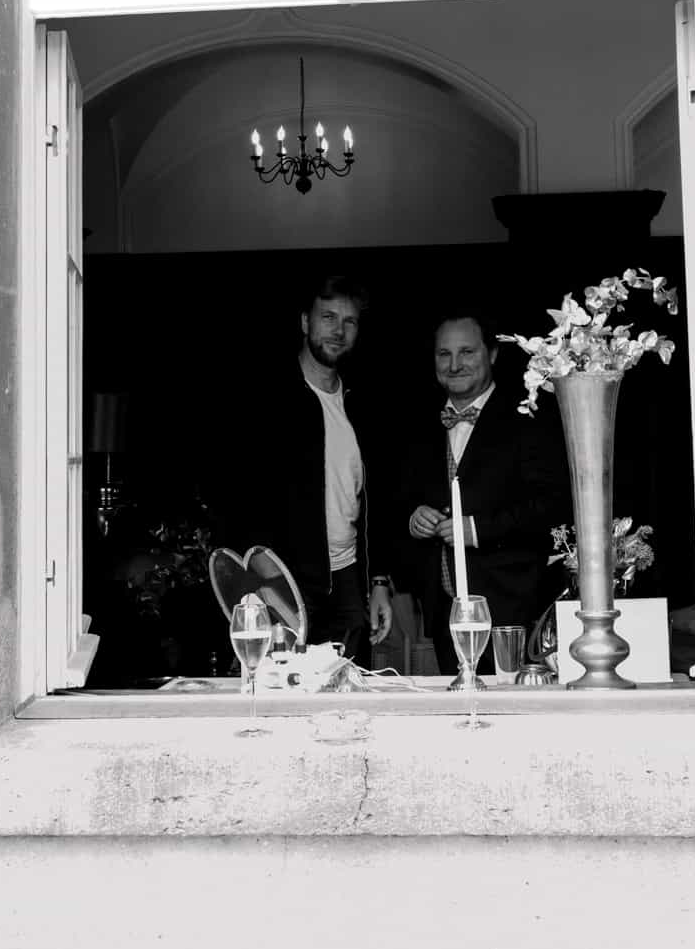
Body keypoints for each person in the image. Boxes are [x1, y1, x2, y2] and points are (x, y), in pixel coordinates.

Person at [232, 275, 394, 659]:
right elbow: (236, 494)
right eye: (328, 317)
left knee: (352, 691)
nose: (339, 331)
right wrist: (262, 582)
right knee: (287, 698)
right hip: (285, 583)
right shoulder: (264, 399)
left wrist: (380, 581)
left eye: (349, 321)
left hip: (349, 579)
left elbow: (378, 500)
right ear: (305, 322)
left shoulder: (363, 405)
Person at [401, 308, 570, 674]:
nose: (454, 364)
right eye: (444, 354)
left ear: (491, 355)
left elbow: (554, 505)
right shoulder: (420, 425)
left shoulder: (529, 416)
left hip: (514, 610)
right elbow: (404, 497)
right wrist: (415, 517)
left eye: (467, 352)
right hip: (446, 614)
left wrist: (478, 529)